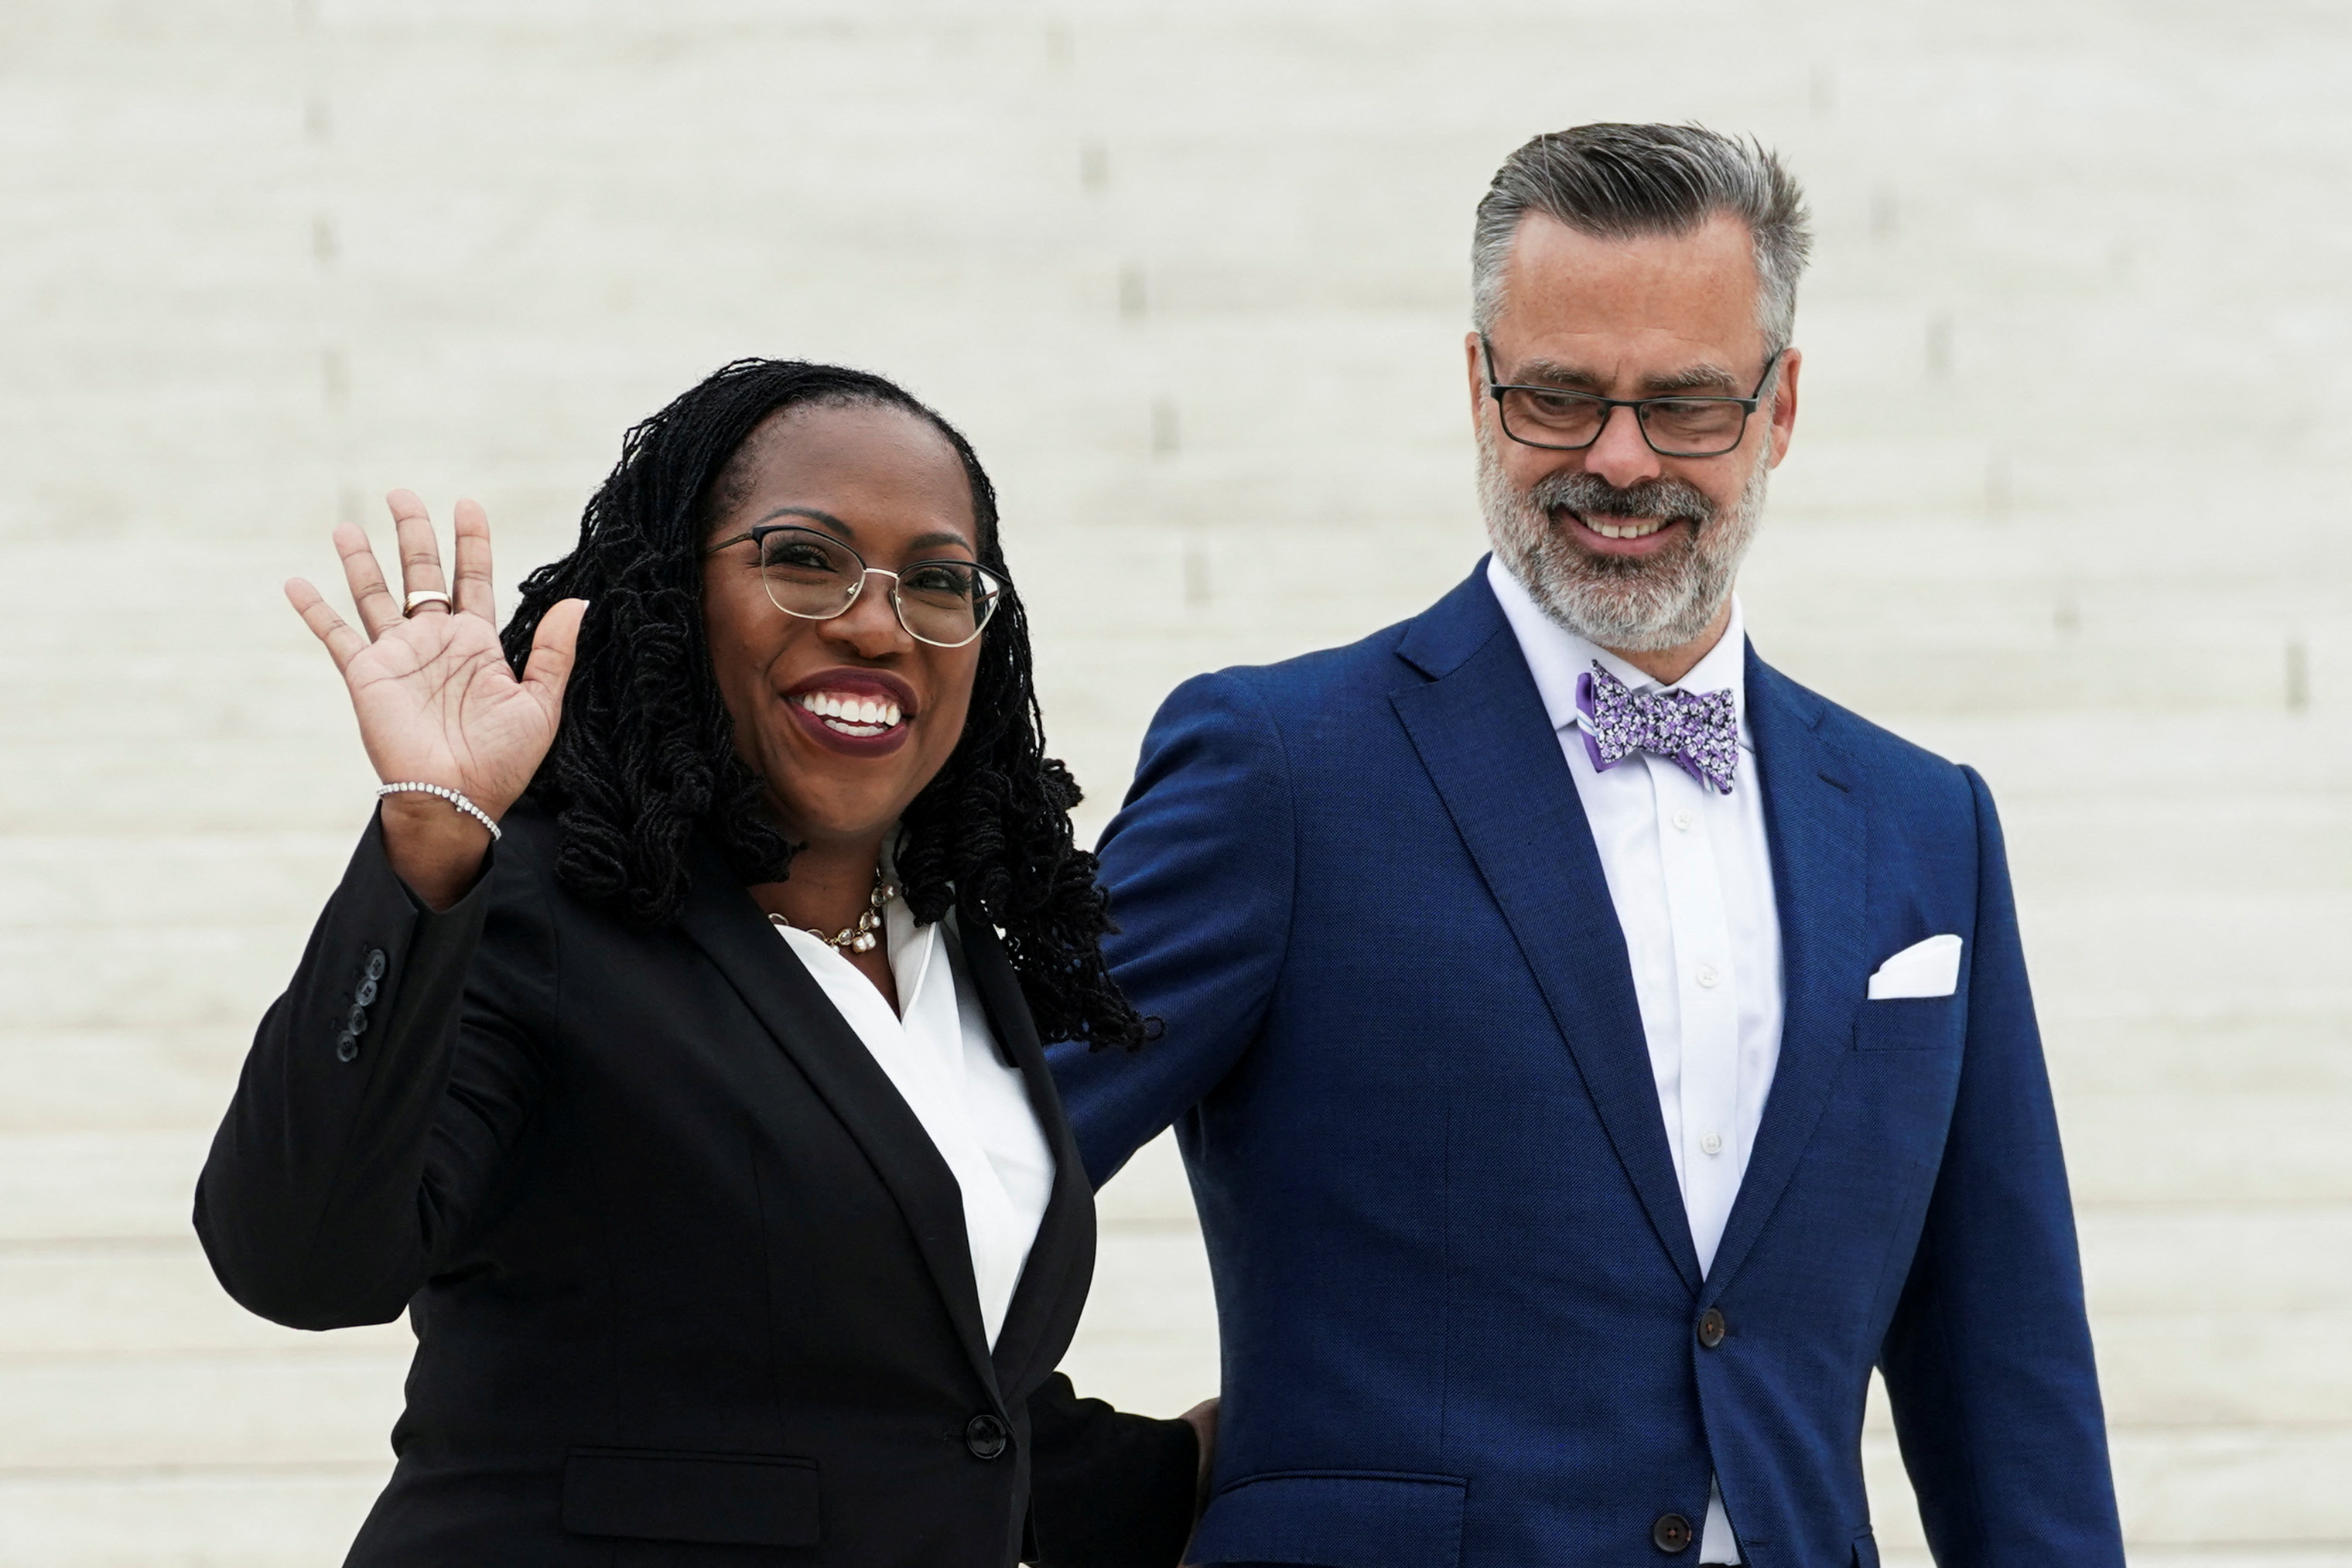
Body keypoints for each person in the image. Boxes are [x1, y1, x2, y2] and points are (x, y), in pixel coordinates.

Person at [1051, 125, 2126, 1567]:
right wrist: (1087, 1485)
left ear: (1781, 407)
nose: (1619, 461)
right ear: (1479, 389)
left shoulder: (1928, 824)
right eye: (1560, 397)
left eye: (1685, 405)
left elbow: (2011, 1377)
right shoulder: (1279, 771)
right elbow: (949, 1185)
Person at [194, 359, 1205, 1567]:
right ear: (677, 591)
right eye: (805, 559)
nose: (877, 622)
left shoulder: (955, 956)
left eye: (939, 581)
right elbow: (300, 1258)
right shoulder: (536, 911)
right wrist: (427, 846)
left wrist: (1251, 1457)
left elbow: (930, 1396)